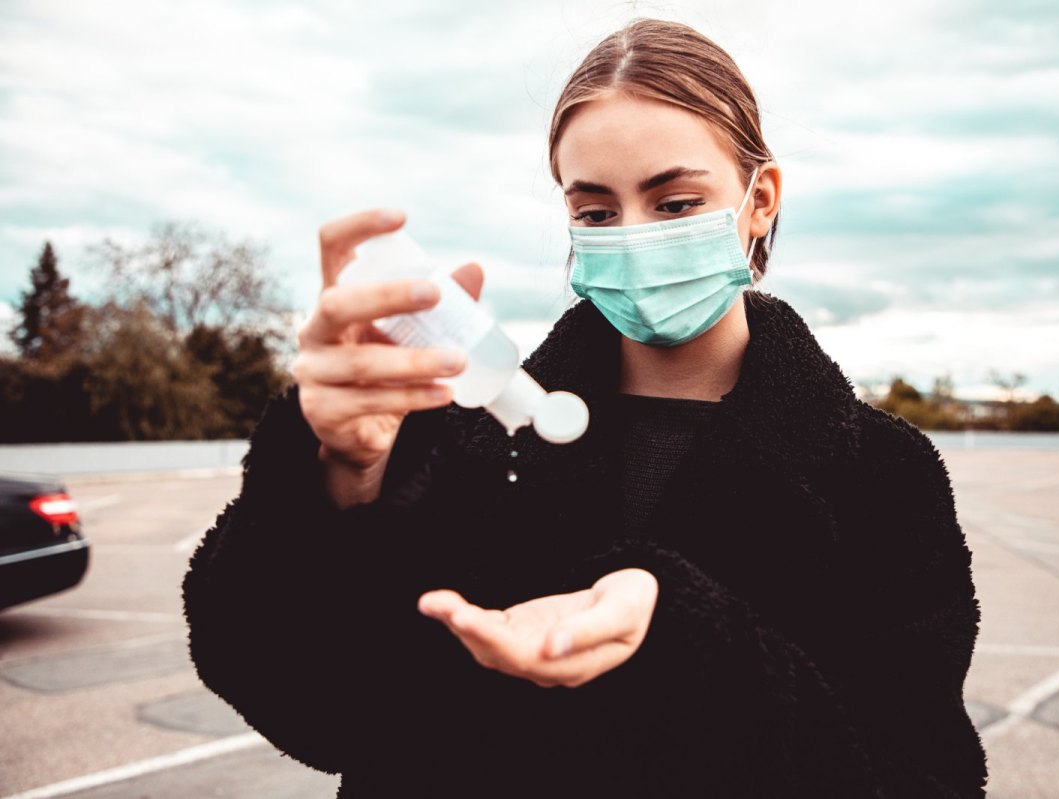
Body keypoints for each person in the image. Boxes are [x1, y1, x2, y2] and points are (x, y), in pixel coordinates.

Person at [183, 18, 989, 798]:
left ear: (760, 199)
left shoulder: (883, 477)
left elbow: (917, 777)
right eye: (596, 212)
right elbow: (317, 709)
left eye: (673, 204)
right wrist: (340, 481)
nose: (632, 236)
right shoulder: (462, 446)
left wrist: (680, 637)